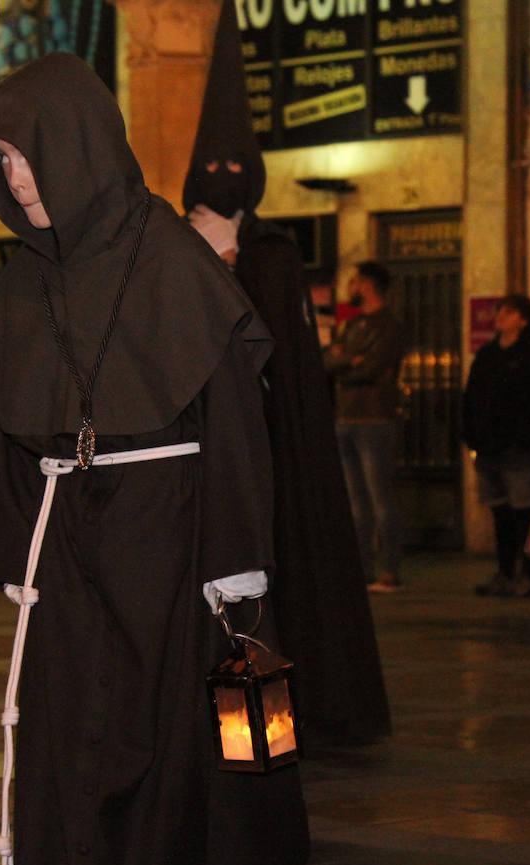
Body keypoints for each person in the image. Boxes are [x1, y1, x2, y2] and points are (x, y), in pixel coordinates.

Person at [0, 52, 309, 865]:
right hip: (66, 545)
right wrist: (14, 551)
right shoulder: (29, 274)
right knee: (67, 723)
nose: (14, 176)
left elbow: (231, 425)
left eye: (25, 153)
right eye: (0, 160)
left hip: (166, 534)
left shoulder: (175, 261)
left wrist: (234, 564)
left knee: (157, 729)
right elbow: (7, 418)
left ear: (76, 146)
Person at [182, 0, 390, 745]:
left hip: (271, 450)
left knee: (270, 586)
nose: (222, 177)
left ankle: (271, 718)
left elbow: (281, 361)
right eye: (212, 167)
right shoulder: (176, 253)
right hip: (200, 455)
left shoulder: (273, 256)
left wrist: (233, 265)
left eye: (236, 167)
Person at [463, 293, 530, 597]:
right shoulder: (489, 355)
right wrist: (472, 435)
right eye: (499, 311)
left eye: (508, 311)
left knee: (526, 512)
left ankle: (528, 575)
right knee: (500, 512)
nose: (500, 316)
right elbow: (472, 396)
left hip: (521, 448)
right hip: (490, 447)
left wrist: (527, 436)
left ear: (523, 319)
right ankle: (505, 572)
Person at [323, 260, 405, 592]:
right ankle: (362, 569)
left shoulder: (389, 325)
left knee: (380, 497)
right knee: (355, 501)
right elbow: (328, 362)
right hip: (346, 416)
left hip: (375, 418)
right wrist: (346, 360)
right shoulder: (352, 325)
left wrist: (347, 362)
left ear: (368, 284)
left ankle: (390, 570)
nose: (351, 286)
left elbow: (372, 368)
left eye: (355, 281)